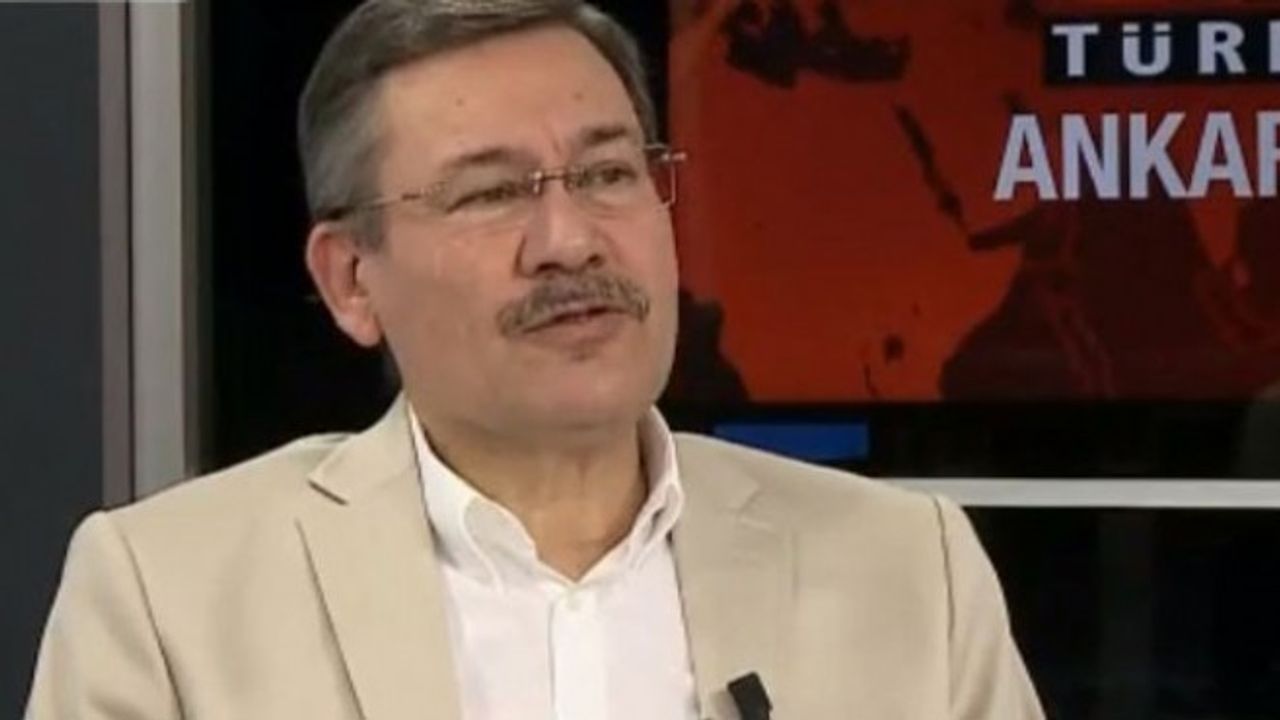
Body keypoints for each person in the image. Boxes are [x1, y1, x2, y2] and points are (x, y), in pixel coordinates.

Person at [26, 1, 1044, 717]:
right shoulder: (168, 599)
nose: (570, 240)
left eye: (607, 173)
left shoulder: (910, 573)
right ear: (351, 281)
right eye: (490, 192)